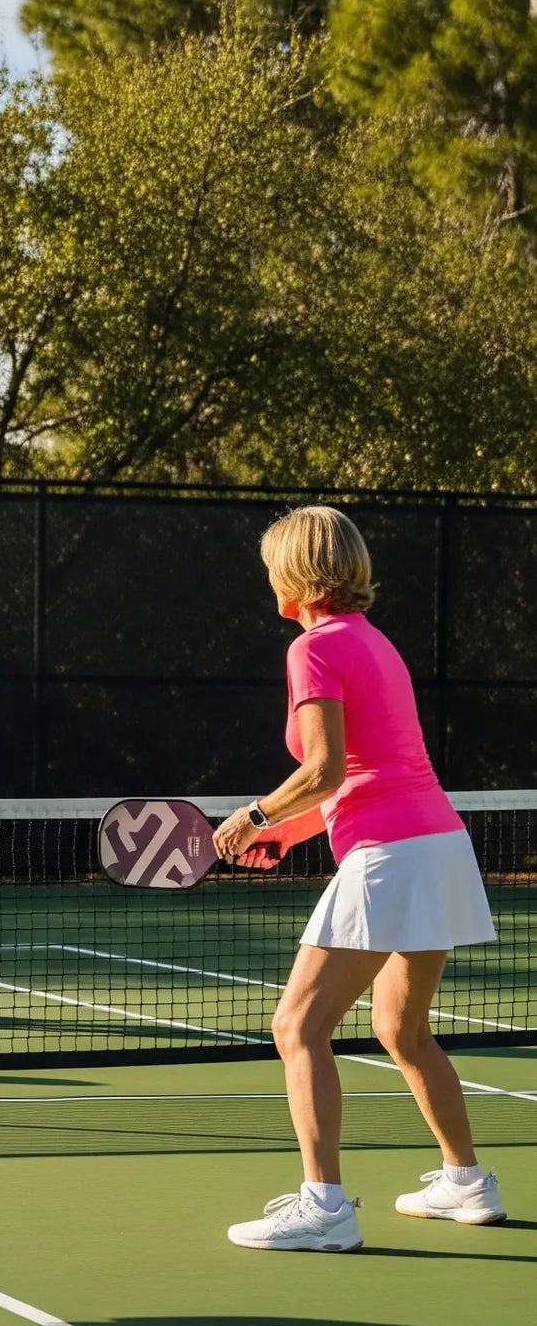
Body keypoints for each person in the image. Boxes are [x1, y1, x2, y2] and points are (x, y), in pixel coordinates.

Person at [214, 505, 504, 1252]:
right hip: (439, 844)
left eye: (273, 564)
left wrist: (253, 815)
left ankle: (325, 1208)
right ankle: (466, 1183)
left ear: (294, 574)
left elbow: (323, 770)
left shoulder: (313, 649)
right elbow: (366, 776)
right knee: (400, 1029)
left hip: (393, 857)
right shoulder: (375, 643)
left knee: (298, 1027)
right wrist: (287, 833)